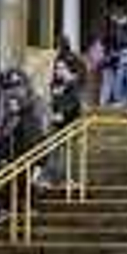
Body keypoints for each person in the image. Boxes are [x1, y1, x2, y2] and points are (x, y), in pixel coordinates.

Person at [43, 58, 82, 188]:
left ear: (69, 70)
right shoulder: (55, 85)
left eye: (61, 68)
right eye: (56, 68)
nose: (58, 71)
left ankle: (65, 179)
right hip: (56, 124)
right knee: (54, 152)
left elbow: (74, 103)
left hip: (69, 124)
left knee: (67, 154)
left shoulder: (73, 84)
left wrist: (63, 114)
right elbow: (53, 103)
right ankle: (53, 178)